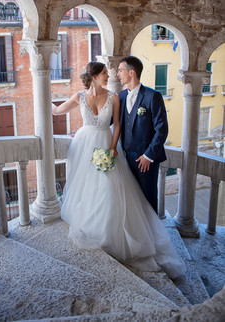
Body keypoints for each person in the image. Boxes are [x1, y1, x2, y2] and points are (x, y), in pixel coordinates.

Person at [52, 61, 185, 278]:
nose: (112, 74)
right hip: (85, 145)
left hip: (114, 147)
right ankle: (92, 224)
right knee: (89, 186)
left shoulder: (123, 96)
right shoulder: (92, 96)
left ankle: (136, 233)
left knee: (121, 191)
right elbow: (58, 110)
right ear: (94, 76)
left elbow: (121, 125)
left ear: (130, 73)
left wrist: (113, 148)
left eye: (116, 71)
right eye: (105, 72)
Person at [117, 56, 168, 213]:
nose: (118, 74)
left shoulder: (153, 96)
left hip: (146, 159)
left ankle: (152, 234)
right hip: (126, 157)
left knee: (148, 198)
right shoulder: (122, 96)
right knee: (132, 198)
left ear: (131, 72)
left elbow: (162, 129)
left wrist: (148, 156)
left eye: (120, 70)